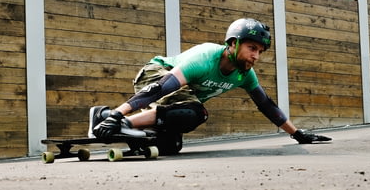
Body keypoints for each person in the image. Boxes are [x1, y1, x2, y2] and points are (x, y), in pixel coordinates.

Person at [88, 18, 331, 153]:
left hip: (178, 97)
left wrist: (297, 134)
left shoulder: (245, 74)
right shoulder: (205, 58)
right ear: (233, 44)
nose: (256, 56)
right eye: (252, 48)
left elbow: (266, 105)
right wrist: (120, 114)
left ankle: (120, 121)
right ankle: (110, 117)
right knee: (195, 112)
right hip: (155, 74)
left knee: (170, 146)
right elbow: (162, 88)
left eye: (260, 52)